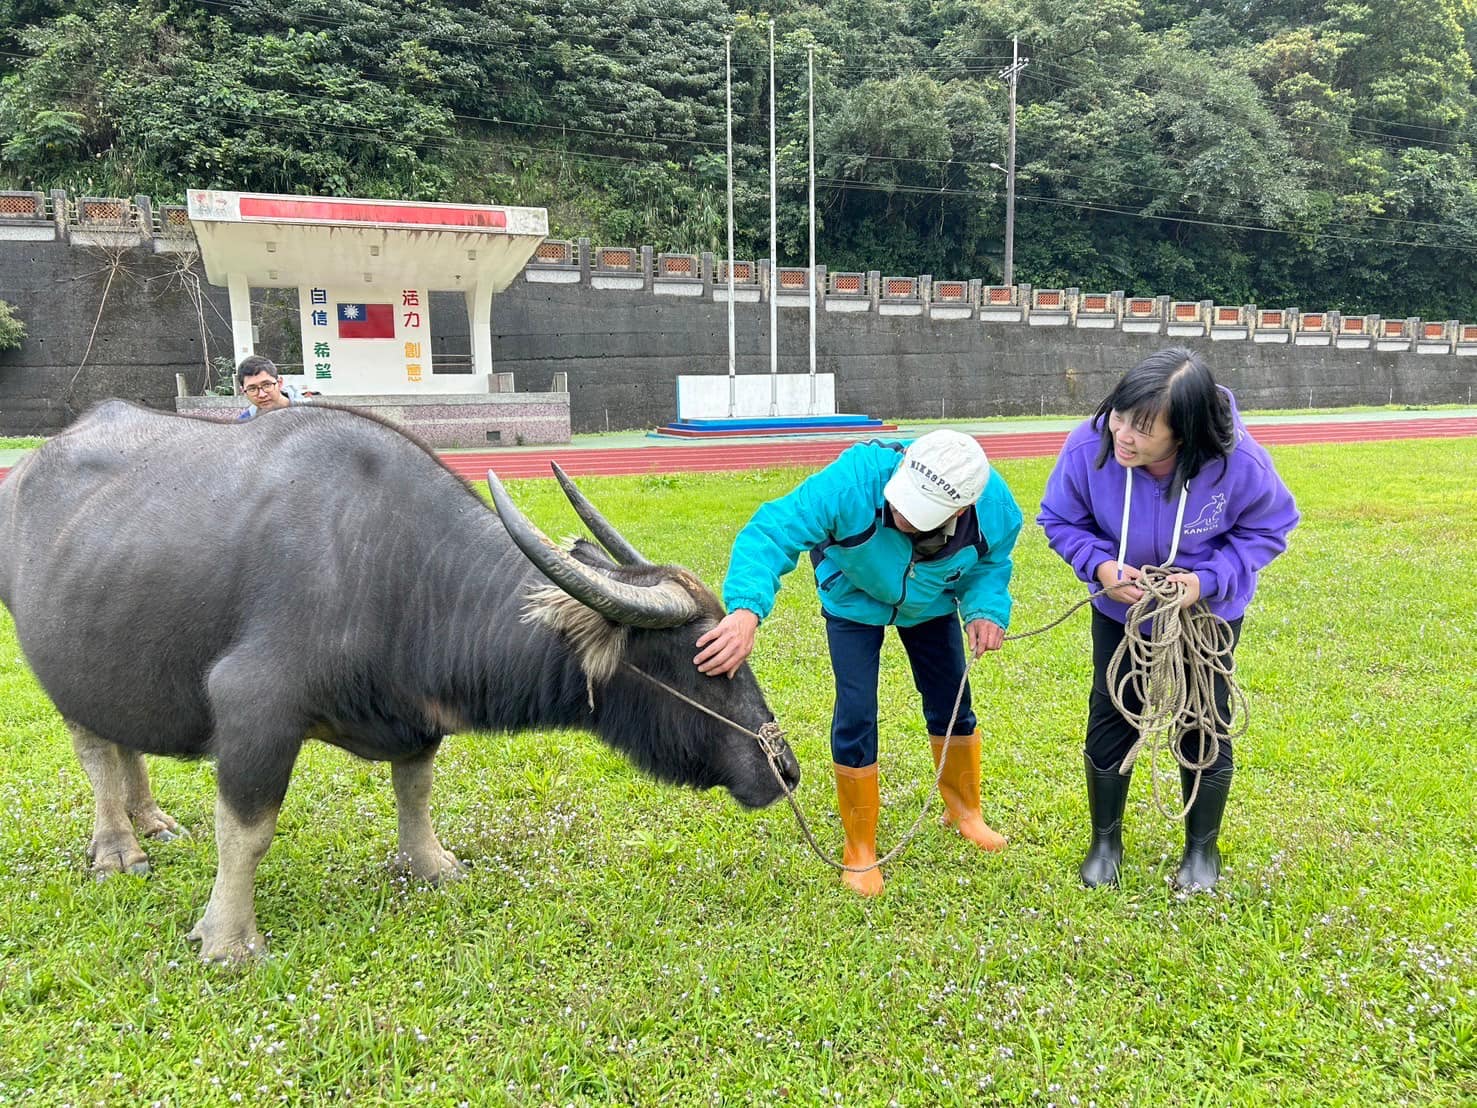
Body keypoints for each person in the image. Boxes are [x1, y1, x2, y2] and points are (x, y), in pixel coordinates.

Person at [695, 430, 1023, 897]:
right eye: (903, 502)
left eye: (921, 514)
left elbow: (990, 566)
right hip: (852, 601)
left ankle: (965, 810)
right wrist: (746, 609)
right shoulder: (851, 482)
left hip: (930, 604)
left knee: (952, 700)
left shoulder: (996, 508)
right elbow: (772, 530)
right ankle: (860, 848)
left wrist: (986, 609)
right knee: (856, 712)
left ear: (961, 510)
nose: (903, 516)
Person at [1037, 348, 1299, 892]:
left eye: (1144, 429)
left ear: (1184, 435)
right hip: (1122, 609)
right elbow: (1060, 518)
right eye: (1122, 417)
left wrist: (1204, 581)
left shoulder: (1238, 463)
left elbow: (1270, 528)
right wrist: (1101, 566)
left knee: (1203, 718)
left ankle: (1203, 850)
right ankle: (1105, 843)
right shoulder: (1091, 446)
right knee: (1113, 710)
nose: (1125, 436)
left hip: (1205, 616)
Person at [235, 355, 294, 420]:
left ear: (280, 383)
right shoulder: (244, 423)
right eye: (252, 389)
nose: (262, 395)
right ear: (243, 391)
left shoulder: (306, 410)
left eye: (267, 385)